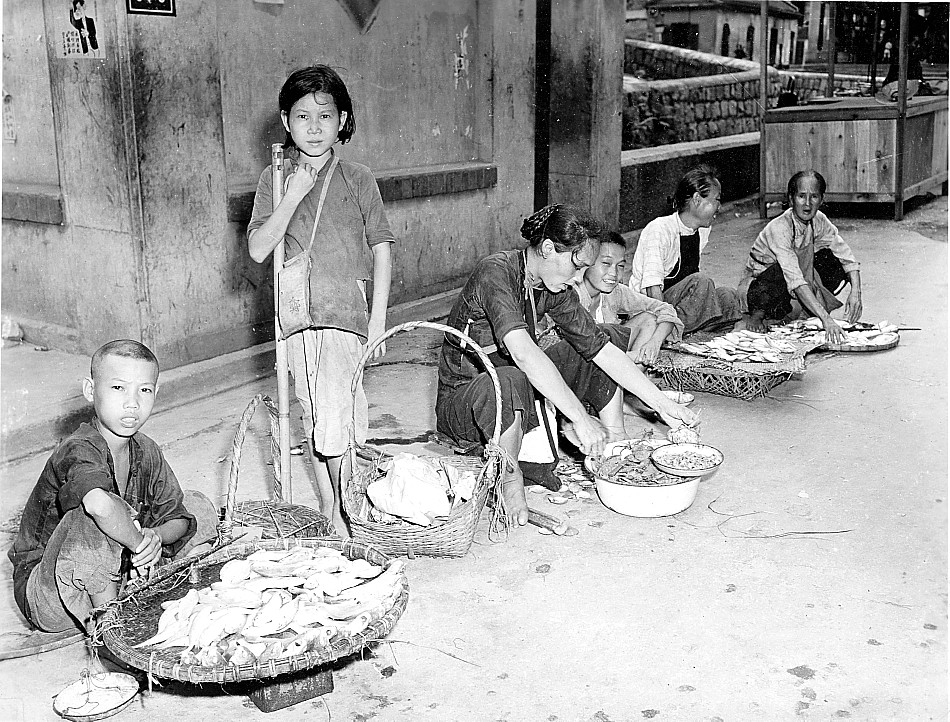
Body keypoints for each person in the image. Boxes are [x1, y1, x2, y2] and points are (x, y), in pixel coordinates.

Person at [436, 204, 697, 527]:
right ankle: (509, 478)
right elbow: (524, 355)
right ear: (547, 249)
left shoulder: (551, 286)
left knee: (603, 337)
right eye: (576, 267)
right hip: (469, 407)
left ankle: (615, 437)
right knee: (512, 377)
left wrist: (661, 403)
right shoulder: (496, 272)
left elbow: (599, 349)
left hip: (517, 396)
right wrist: (579, 417)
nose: (578, 279)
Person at [247, 66, 394, 536]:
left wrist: (377, 322)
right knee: (315, 419)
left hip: (346, 318)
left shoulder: (358, 177)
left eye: (325, 115)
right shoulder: (275, 178)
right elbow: (258, 248)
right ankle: (335, 508)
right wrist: (292, 195)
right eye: (303, 116)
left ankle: (349, 511)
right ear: (286, 121)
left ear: (342, 120)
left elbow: (382, 249)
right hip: (297, 320)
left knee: (339, 424)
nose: (314, 127)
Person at [7, 340, 214, 634]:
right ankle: (113, 634)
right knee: (93, 518)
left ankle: (136, 586)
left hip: (116, 571)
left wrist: (155, 536)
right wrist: (141, 544)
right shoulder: (78, 448)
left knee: (197, 504)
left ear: (156, 393)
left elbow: (178, 516)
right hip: (52, 592)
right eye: (118, 388)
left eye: (144, 390)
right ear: (91, 390)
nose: (132, 403)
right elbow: (98, 506)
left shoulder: (146, 448)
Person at [737, 170, 862, 345]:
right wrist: (826, 319)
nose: (808, 204)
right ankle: (757, 315)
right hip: (760, 288)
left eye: (814, 197)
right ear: (791, 199)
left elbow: (847, 257)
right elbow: (794, 279)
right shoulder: (780, 227)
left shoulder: (819, 220)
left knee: (832, 259)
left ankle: (803, 309)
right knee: (782, 269)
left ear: (821, 199)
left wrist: (855, 293)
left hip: (793, 284)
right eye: (801, 196)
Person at [628, 165, 740, 335]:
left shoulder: (702, 230)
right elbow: (652, 287)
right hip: (653, 306)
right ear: (697, 199)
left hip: (680, 303)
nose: (719, 206)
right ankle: (664, 330)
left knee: (728, 296)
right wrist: (664, 319)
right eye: (716, 199)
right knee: (701, 282)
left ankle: (689, 329)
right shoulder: (660, 228)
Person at [572, 231, 683, 366]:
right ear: (587, 262)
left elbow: (665, 309)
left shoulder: (616, 292)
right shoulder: (570, 296)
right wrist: (630, 357)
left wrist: (654, 343)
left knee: (649, 320)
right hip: (583, 366)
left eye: (620, 266)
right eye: (606, 263)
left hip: (613, 360)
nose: (614, 273)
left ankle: (631, 383)